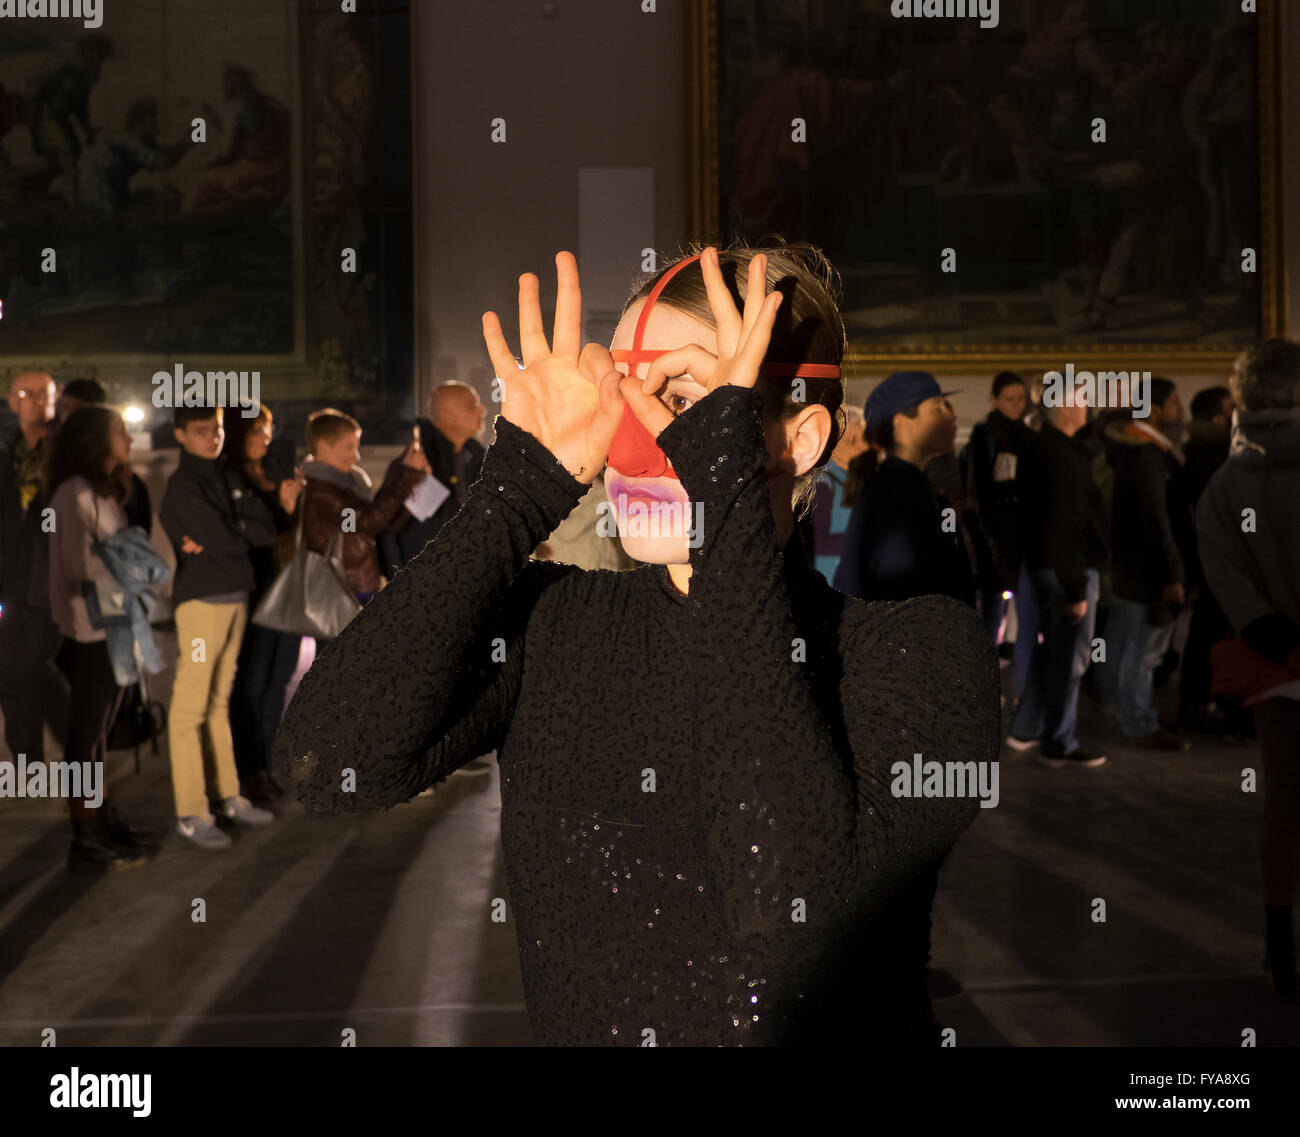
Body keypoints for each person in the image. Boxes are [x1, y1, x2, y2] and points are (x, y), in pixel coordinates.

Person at [273, 243, 1001, 1046]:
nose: (637, 439)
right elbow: (326, 763)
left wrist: (722, 494)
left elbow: (786, 910)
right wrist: (517, 493)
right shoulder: (557, 628)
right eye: (626, 395)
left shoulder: (918, 651)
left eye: (687, 401)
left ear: (798, 439)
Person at [1196, 338, 1300, 997]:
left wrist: (1282, 641)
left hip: (1276, 664)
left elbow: (1228, 582)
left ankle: (1279, 944)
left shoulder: (1225, 485)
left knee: (1284, 804)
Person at [160, 405, 279, 851]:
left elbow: (263, 529)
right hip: (202, 606)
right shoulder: (182, 486)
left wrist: (229, 530)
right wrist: (232, 530)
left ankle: (228, 796)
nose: (212, 437)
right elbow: (232, 540)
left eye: (218, 429)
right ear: (180, 434)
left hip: (234, 598)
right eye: (201, 430)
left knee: (217, 703)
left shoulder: (226, 476)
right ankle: (191, 813)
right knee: (190, 709)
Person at [46, 406, 159, 869]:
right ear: (96, 440)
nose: (129, 440)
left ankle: (103, 820)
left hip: (112, 623)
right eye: (119, 433)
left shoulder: (103, 492)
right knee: (86, 735)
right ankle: (85, 835)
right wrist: (132, 567)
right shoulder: (73, 494)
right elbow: (78, 566)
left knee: (100, 734)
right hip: (87, 629)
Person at [1006, 380, 1109, 766]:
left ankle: (1027, 728)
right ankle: (1058, 742)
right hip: (1067, 571)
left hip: (1048, 567)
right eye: (1081, 399)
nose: (1087, 406)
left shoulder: (1048, 448)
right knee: (1070, 660)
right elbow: (1065, 524)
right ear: (1064, 406)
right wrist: (1077, 586)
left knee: (1052, 654)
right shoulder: (1059, 454)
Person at [1095, 379, 1195, 749]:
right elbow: (1158, 519)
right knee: (1143, 651)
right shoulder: (1148, 454)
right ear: (1153, 409)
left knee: (1124, 640)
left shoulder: (1131, 448)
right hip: (1147, 570)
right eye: (1173, 402)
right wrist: (1172, 574)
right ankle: (1138, 721)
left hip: (1129, 566)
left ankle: (1118, 705)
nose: (1179, 410)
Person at [222, 403, 304, 806]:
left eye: (267, 430)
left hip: (279, 586)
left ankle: (269, 762)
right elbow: (253, 533)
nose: (264, 439)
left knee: (277, 677)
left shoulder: (271, 474)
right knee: (250, 681)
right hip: (251, 590)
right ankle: (247, 768)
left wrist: (290, 504)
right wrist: (281, 509)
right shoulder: (230, 478)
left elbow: (283, 532)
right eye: (255, 431)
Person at [834, 371, 973, 606]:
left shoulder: (910, 485)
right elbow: (903, 584)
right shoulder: (895, 493)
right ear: (902, 423)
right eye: (937, 409)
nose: (951, 416)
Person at [0, 372, 69, 769]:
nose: (35, 401)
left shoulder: (66, 450)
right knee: (8, 670)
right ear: (12, 402)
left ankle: (74, 742)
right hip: (12, 581)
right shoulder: (7, 451)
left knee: (31, 666)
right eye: (26, 394)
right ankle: (27, 761)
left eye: (44, 394)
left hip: (53, 581)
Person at [299, 409, 428, 605]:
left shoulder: (347, 485)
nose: (356, 456)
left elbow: (379, 522)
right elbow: (365, 522)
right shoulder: (321, 493)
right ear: (323, 447)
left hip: (358, 585)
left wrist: (412, 481)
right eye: (349, 448)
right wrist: (407, 476)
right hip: (342, 590)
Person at [378, 381, 487, 579]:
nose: (483, 411)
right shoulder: (413, 465)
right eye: (472, 406)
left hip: (472, 580)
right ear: (446, 417)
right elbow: (387, 529)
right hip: (425, 585)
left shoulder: (478, 458)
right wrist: (400, 582)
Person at [1178, 385, 1236, 733]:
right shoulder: (1213, 459)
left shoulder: (1203, 454)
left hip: (1208, 557)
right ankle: (1203, 703)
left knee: (1207, 630)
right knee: (1210, 632)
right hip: (1216, 558)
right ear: (1218, 419)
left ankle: (1200, 701)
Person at [965, 372, 1034, 645]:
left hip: (1023, 531)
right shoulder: (985, 435)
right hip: (994, 531)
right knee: (992, 608)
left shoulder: (1027, 435)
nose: (1016, 405)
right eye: (1009, 399)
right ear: (994, 400)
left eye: (1020, 399)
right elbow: (979, 488)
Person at [57, 378, 151, 530]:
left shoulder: (129, 484)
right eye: (65, 407)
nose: (130, 439)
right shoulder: (72, 487)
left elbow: (141, 534)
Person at [808, 404, 867, 582]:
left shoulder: (855, 477)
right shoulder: (824, 483)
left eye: (864, 439)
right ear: (834, 444)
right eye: (852, 441)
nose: (863, 447)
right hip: (832, 579)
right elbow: (821, 543)